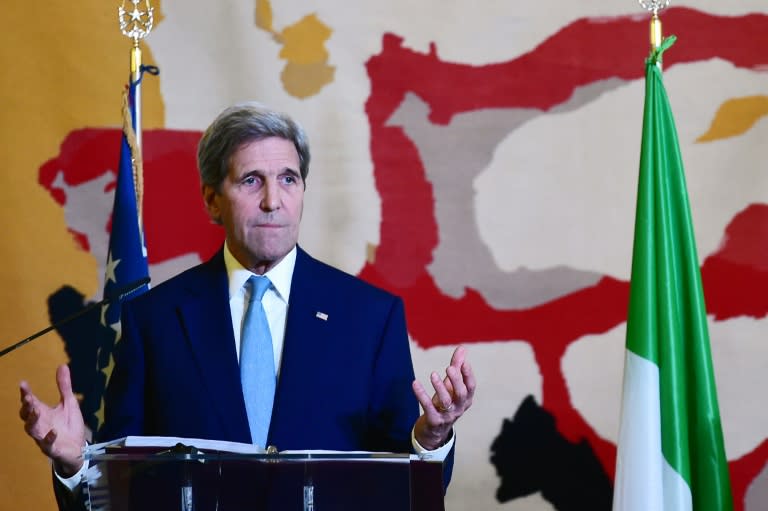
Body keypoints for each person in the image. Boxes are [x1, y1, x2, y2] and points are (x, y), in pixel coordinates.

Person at [19, 102, 475, 506]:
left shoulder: (371, 316)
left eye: (288, 180)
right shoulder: (152, 320)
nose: (273, 201)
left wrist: (430, 438)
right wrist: (76, 463)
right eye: (252, 180)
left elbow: (405, 484)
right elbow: (120, 489)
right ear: (212, 201)